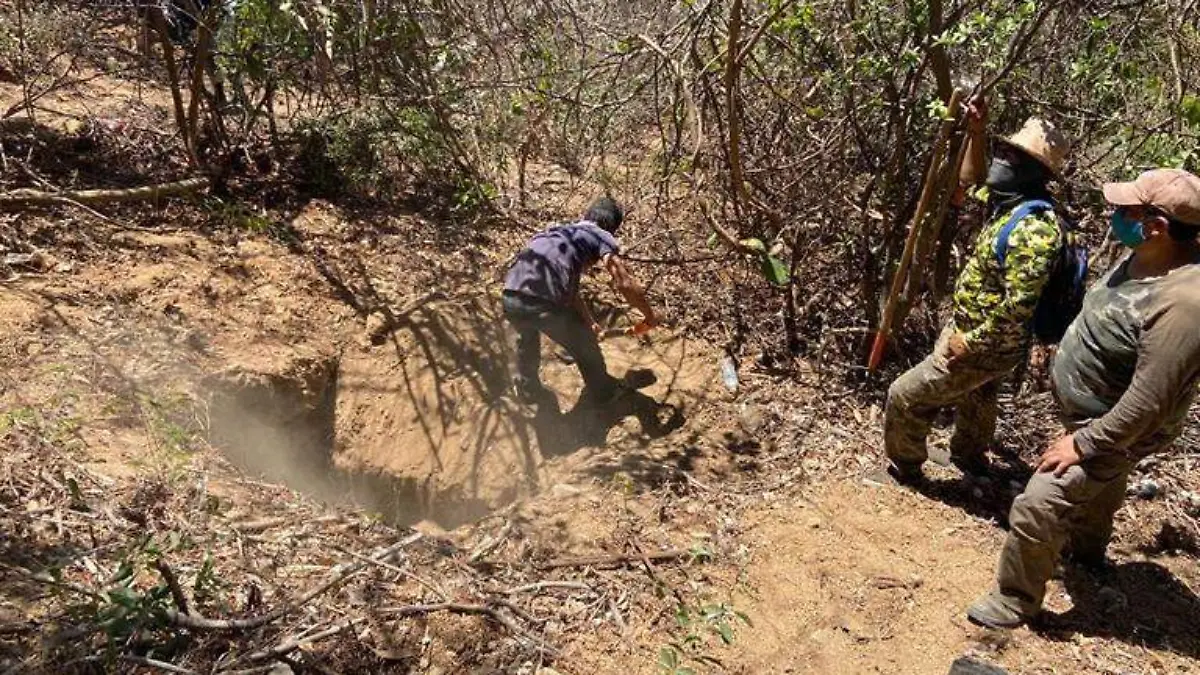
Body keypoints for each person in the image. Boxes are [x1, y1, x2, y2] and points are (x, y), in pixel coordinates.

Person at [968, 168, 1200, 629]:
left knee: (1040, 501)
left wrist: (1083, 443)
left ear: (1156, 225)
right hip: (1096, 416)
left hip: (1118, 427)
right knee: (1103, 484)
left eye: (1126, 210)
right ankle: (1087, 551)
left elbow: (1149, 402)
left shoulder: (1184, 304)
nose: (1115, 214)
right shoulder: (1146, 255)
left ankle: (1015, 599)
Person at [877, 103, 1072, 484]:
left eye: (1012, 156)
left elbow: (1019, 305)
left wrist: (971, 341)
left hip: (984, 345)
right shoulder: (1010, 203)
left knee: (905, 396)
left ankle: (906, 467)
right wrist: (977, 132)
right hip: (978, 336)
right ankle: (969, 455)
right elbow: (969, 179)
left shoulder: (1034, 229)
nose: (1002, 159)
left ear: (1034, 173)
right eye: (1003, 150)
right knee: (979, 396)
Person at [501, 197, 657, 404]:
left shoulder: (557, 232)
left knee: (527, 335)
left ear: (587, 215)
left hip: (510, 295)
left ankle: (527, 389)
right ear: (611, 228)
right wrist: (649, 316)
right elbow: (624, 283)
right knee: (586, 345)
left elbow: (572, 292)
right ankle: (604, 394)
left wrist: (590, 322)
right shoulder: (601, 236)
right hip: (543, 302)